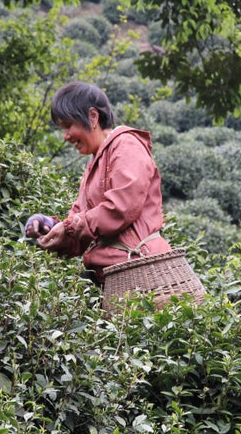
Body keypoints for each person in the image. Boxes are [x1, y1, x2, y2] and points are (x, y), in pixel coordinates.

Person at [24, 81, 171, 285]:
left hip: (139, 271)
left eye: (68, 126)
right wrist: (48, 227)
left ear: (93, 117)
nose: (65, 136)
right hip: (111, 276)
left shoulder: (125, 145)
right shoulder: (94, 165)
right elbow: (78, 228)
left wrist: (70, 226)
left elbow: (121, 208)